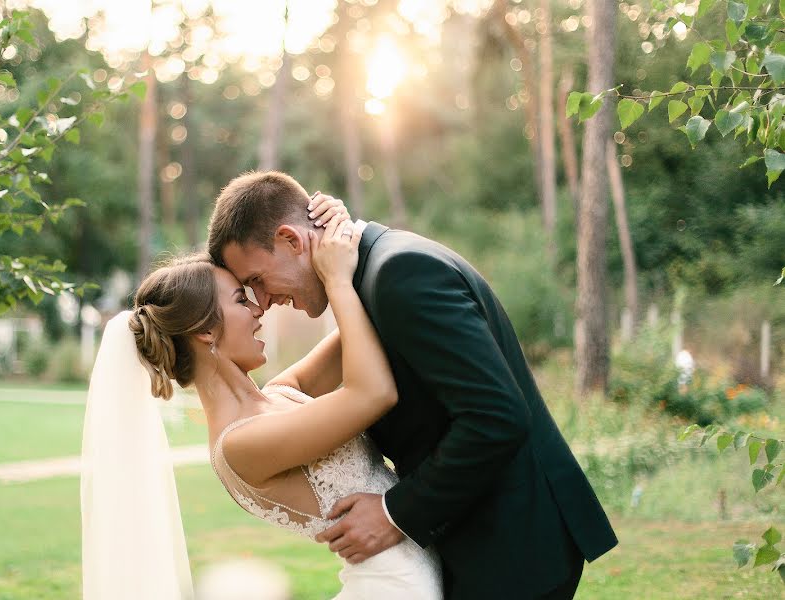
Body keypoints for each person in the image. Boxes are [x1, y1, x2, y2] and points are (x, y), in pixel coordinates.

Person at [207, 170, 619, 600]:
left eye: (256, 280)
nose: (265, 302)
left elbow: (497, 416)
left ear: (292, 240)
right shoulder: (370, 278)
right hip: (481, 541)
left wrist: (394, 513)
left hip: (512, 543)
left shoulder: (400, 273)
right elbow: (294, 388)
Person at [80, 210, 442, 600]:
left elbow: (362, 324)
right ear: (205, 330)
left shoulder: (282, 393)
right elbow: (372, 393)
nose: (259, 310)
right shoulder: (239, 445)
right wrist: (337, 279)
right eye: (241, 299)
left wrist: (329, 233)